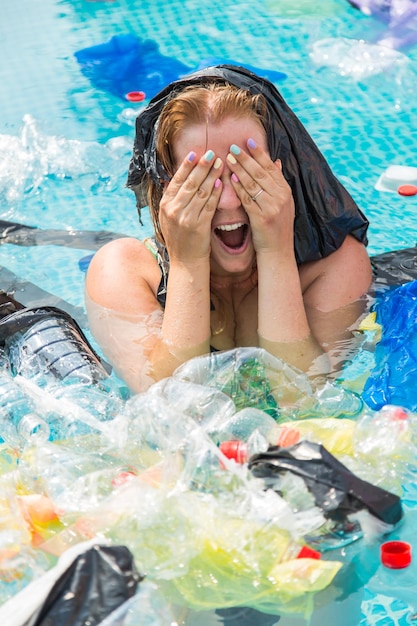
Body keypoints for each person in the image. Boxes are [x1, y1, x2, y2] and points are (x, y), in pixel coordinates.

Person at [85, 65, 372, 393]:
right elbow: (170, 408)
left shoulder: (336, 265)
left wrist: (276, 252)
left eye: (248, 173)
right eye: (203, 180)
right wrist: (187, 263)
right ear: (166, 189)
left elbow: (302, 400)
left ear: (284, 174)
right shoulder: (124, 271)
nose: (230, 201)